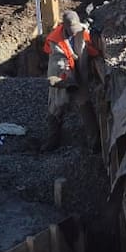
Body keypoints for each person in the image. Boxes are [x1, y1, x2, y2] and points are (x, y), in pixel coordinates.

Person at [41, 9, 101, 152]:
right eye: (72, 30)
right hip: (61, 77)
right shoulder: (55, 40)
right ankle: (52, 142)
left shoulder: (82, 31)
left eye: (76, 29)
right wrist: (66, 79)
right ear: (64, 27)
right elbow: (59, 62)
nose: (75, 32)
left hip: (79, 75)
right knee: (56, 108)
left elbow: (91, 49)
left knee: (85, 106)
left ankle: (95, 144)